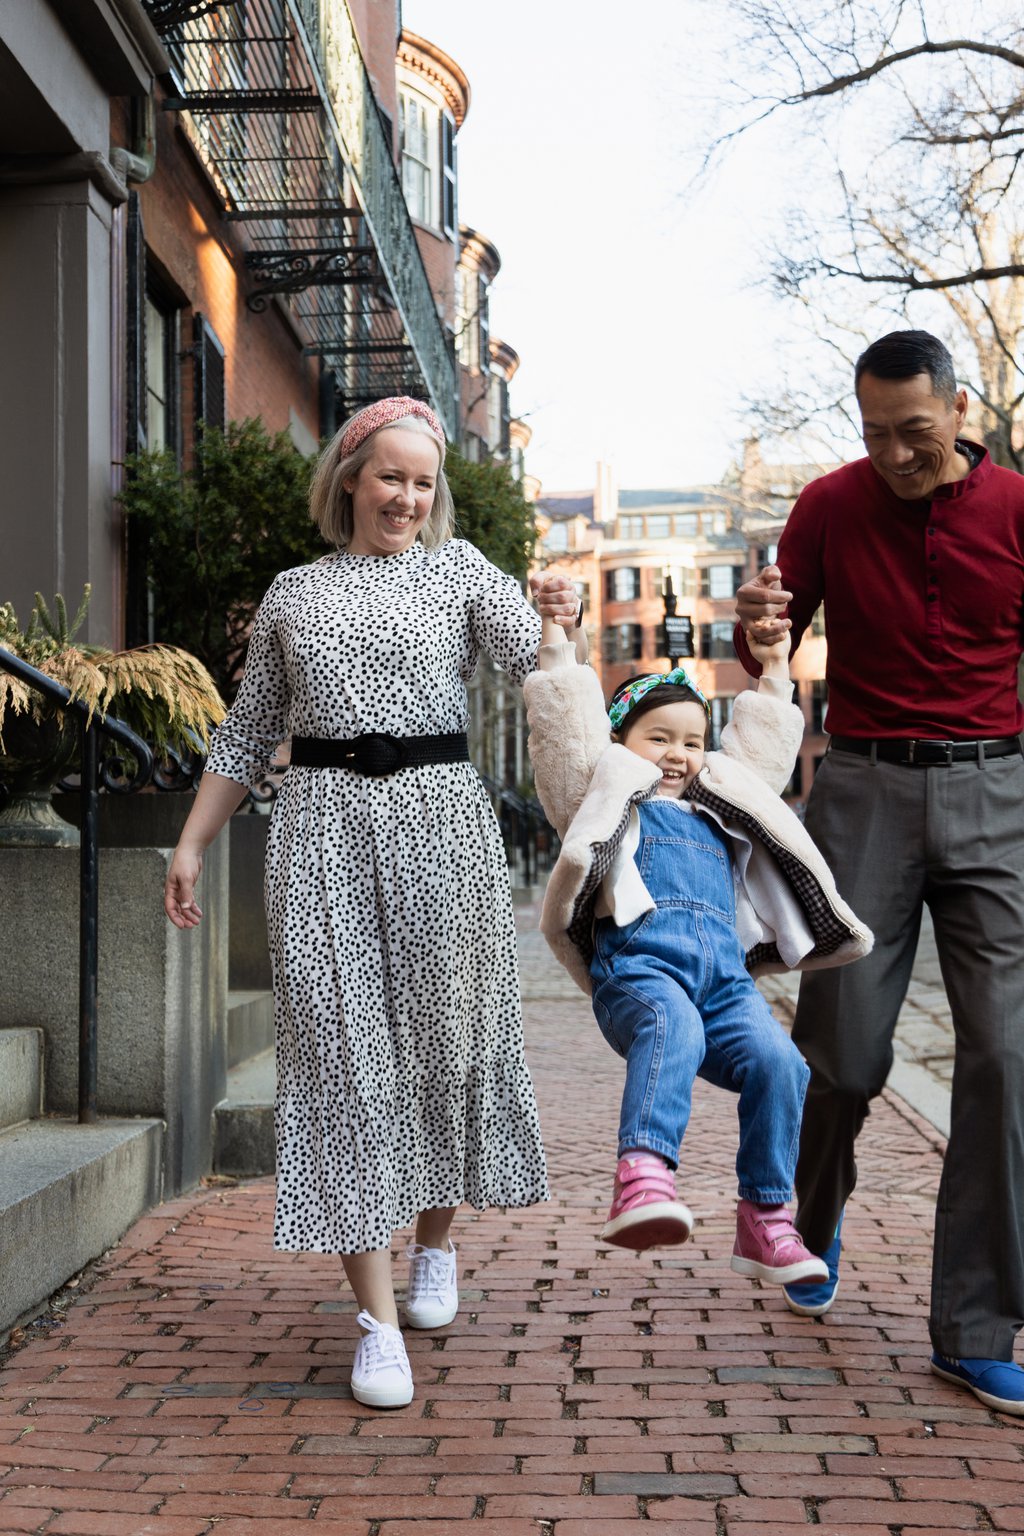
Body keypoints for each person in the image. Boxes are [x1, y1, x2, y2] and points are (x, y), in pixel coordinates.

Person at [164, 396, 581, 1410]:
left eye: (423, 481)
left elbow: (546, 674)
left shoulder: (459, 572)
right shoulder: (293, 594)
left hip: (443, 828)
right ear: (350, 477)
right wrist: (189, 842)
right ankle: (376, 1319)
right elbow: (244, 731)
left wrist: (559, 622)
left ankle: (434, 1245)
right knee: (341, 1062)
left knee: (449, 1047)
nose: (407, 495)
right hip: (321, 836)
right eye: (390, 475)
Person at [735, 328, 1024, 1414]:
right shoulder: (828, 505)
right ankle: (807, 1219)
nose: (896, 455)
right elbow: (769, 640)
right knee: (844, 1055)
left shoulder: (1014, 511)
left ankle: (976, 1324)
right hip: (860, 788)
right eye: (875, 434)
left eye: (914, 433)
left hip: (997, 792)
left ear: (957, 413)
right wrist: (758, 623)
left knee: (1004, 1058)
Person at [523, 612, 871, 1286]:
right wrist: (558, 642)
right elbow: (566, 730)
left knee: (782, 1064)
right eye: (659, 739)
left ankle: (766, 1219)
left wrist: (774, 672)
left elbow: (763, 753)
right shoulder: (605, 797)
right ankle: (644, 1176)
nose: (678, 755)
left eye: (692, 741)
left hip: (725, 983)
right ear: (621, 744)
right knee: (670, 1025)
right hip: (642, 972)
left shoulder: (720, 804)